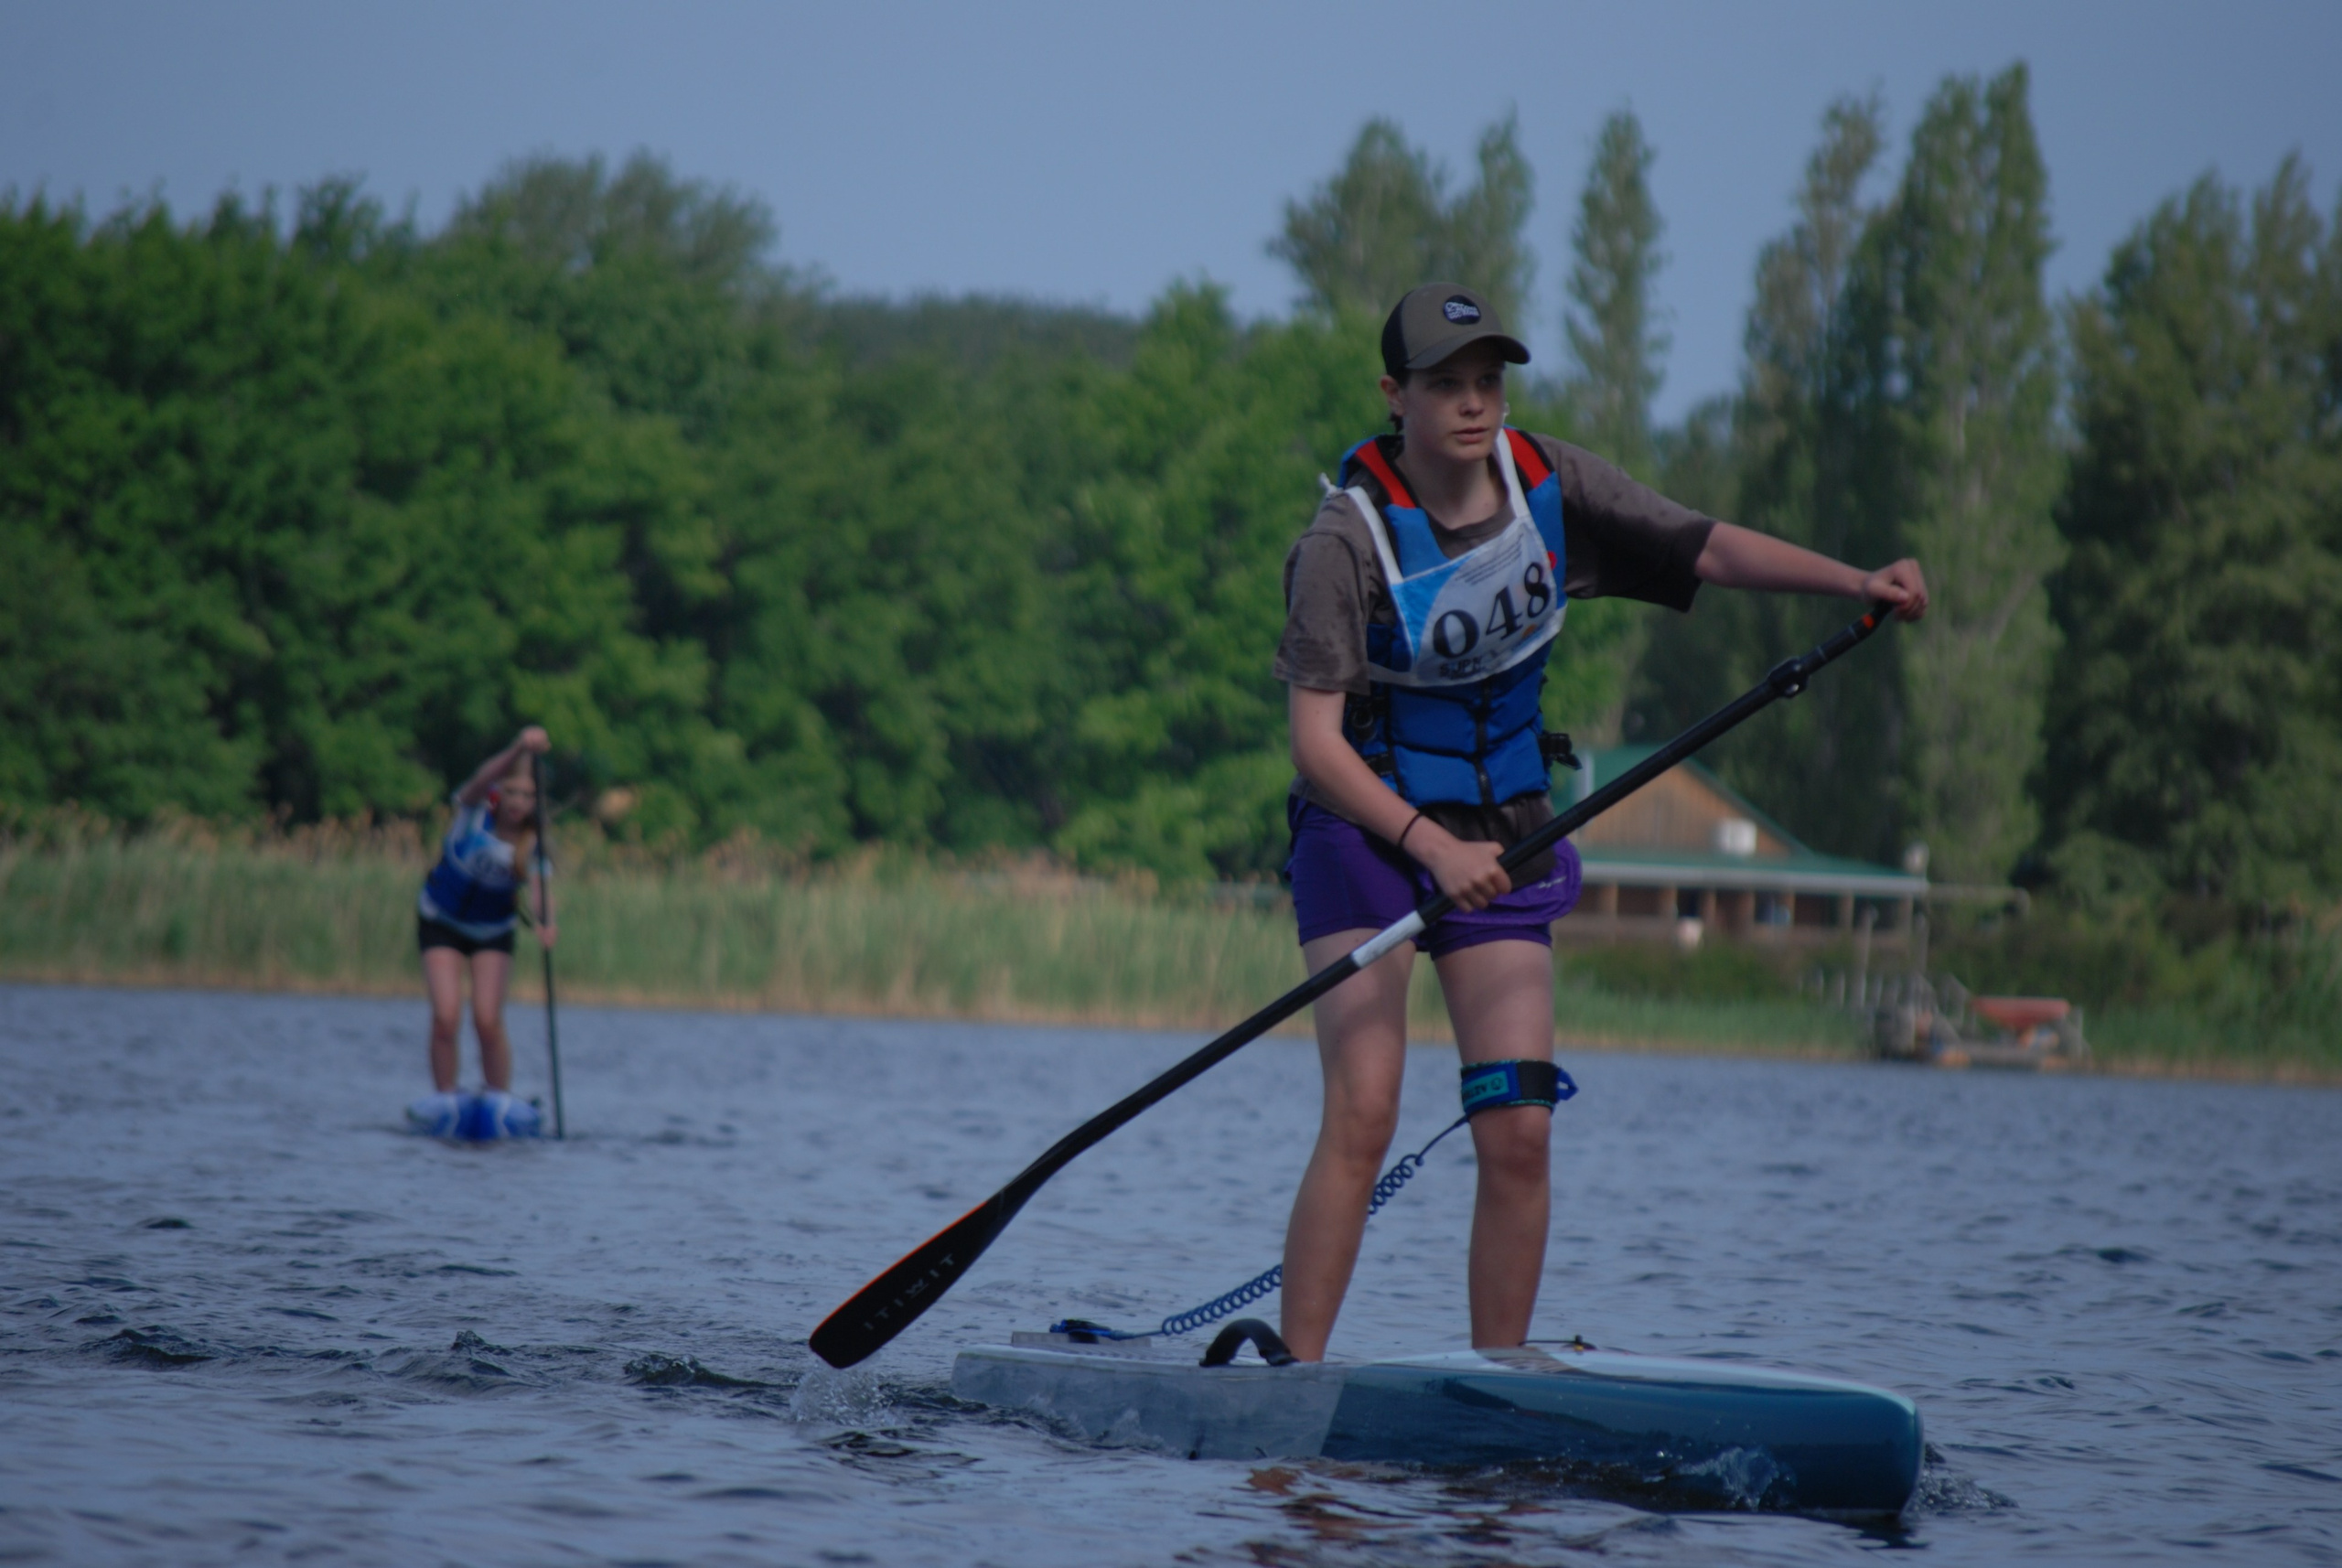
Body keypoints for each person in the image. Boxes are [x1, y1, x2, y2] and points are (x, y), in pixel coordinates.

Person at [1273, 283, 1928, 1361]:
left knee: (1520, 1130)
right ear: (1395, 395)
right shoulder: (1342, 545)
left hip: (1508, 834)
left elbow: (1705, 547)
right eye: (1445, 384)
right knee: (1366, 1109)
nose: (1474, 404)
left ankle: (1500, 1381)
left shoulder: (1551, 484)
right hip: (1366, 840)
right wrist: (1428, 845)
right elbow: (1315, 748)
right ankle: (1290, 1386)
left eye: (1488, 380)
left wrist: (1853, 582)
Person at [406, 727, 556, 1133]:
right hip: (442, 921)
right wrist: (518, 748)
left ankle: (497, 1099)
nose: (519, 803)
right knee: (446, 1017)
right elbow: (478, 779)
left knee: (487, 1020)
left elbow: (541, 892)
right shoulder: (473, 813)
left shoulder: (535, 843)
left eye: (527, 796)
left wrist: (546, 924)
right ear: (498, 793)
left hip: (492, 930)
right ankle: (444, 1096)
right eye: (512, 793)